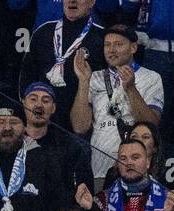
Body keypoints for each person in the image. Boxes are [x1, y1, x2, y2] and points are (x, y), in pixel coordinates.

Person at [70, 24, 164, 184]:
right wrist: (84, 82)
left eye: (118, 44)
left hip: (137, 169)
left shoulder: (151, 78)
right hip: (99, 168)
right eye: (107, 44)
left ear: (133, 47)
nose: (111, 50)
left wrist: (131, 88)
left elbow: (151, 125)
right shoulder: (94, 77)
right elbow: (79, 126)